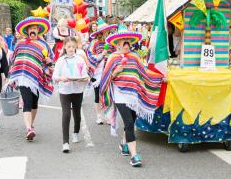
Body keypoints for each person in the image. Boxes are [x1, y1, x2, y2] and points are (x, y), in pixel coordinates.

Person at [100, 24, 164, 167]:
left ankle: (124, 144)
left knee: (132, 121)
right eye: (123, 40)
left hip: (134, 95)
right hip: (120, 94)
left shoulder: (135, 57)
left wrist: (160, 78)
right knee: (128, 123)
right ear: (117, 43)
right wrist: (115, 72)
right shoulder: (113, 57)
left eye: (128, 39)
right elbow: (105, 78)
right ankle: (134, 155)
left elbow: (144, 74)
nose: (127, 42)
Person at [9, 17, 54, 141]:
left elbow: (50, 61)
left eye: (35, 28)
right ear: (27, 31)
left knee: (34, 104)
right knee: (27, 103)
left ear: (38, 30)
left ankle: (31, 124)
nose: (33, 30)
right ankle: (29, 129)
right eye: (31, 28)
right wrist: (11, 73)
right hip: (22, 77)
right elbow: (13, 59)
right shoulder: (20, 43)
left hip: (37, 77)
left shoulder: (43, 45)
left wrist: (49, 62)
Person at [53, 37, 89, 152]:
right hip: (64, 91)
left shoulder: (80, 60)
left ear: (76, 47)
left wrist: (83, 79)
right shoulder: (60, 60)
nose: (71, 49)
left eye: (73, 46)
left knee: (77, 115)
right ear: (64, 47)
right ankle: (65, 142)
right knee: (66, 114)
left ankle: (76, 132)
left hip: (78, 90)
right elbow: (54, 77)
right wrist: (61, 79)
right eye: (69, 46)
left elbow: (85, 76)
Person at [87, 19, 117, 124]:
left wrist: (111, 59)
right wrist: (101, 55)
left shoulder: (112, 44)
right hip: (97, 72)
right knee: (97, 96)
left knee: (108, 94)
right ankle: (99, 116)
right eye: (104, 31)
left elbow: (115, 55)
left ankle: (108, 115)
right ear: (100, 33)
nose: (107, 33)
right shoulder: (94, 42)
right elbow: (90, 56)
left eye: (108, 31)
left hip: (108, 71)